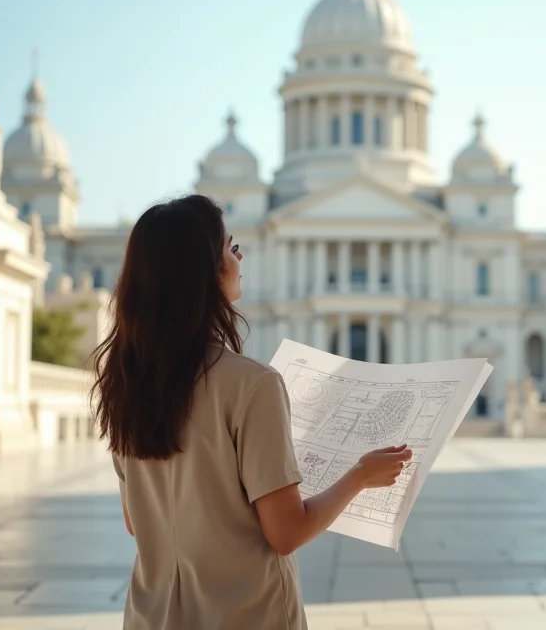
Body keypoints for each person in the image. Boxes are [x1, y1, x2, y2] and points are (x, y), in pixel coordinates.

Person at [89, 194, 411, 629]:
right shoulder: (251, 383)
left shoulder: (125, 384)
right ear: (206, 270)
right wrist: (359, 475)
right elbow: (287, 534)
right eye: (231, 247)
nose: (240, 257)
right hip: (245, 616)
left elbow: (137, 521)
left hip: (153, 615)